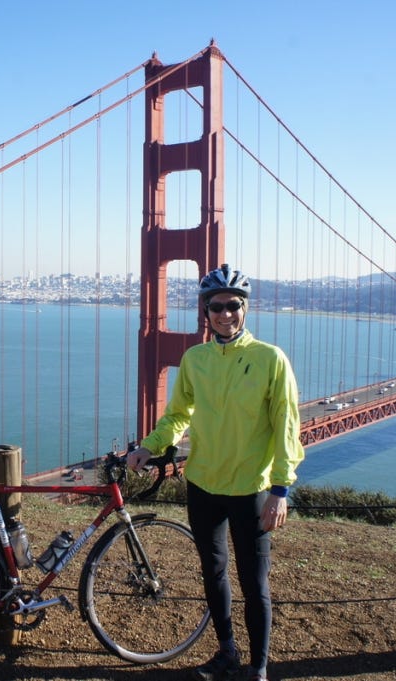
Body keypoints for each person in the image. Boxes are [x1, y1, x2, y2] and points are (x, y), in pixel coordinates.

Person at [128, 263, 305, 681]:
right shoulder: (195, 359)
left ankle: (258, 669)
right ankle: (227, 651)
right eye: (216, 306)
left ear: (245, 309)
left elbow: (287, 426)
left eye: (233, 305)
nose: (225, 314)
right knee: (214, 573)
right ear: (204, 312)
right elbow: (177, 416)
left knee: (254, 583)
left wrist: (281, 488)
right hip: (203, 484)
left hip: (251, 489)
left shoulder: (270, 360)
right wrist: (149, 447)